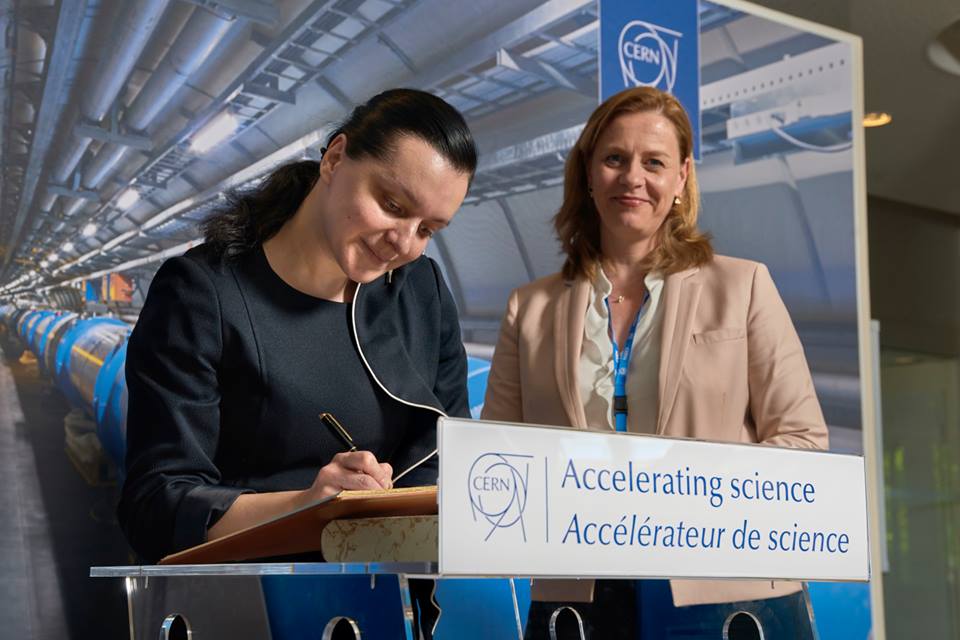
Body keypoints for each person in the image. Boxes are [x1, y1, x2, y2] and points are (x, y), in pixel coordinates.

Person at [481, 86, 829, 631]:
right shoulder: (529, 308)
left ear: (682, 177)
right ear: (588, 173)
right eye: (614, 159)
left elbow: (803, 441)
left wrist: (683, 495)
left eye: (654, 162)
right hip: (580, 596)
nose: (632, 177)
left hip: (728, 593)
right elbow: (497, 459)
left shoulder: (743, 286)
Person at [118, 88, 477, 566]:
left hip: (387, 586)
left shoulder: (420, 291)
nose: (404, 243)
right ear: (335, 159)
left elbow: (451, 451)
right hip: (249, 590)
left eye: (428, 230)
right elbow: (155, 504)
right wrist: (307, 507)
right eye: (392, 204)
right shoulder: (203, 294)